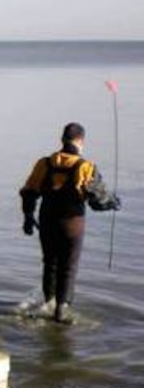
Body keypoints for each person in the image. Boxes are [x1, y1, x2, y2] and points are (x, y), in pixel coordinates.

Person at [19, 122, 120, 324]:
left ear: (62, 140)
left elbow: (29, 192)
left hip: (47, 223)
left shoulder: (44, 163)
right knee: (68, 267)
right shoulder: (86, 167)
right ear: (80, 142)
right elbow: (97, 202)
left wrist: (28, 217)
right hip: (72, 225)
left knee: (50, 264)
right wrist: (113, 202)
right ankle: (61, 311)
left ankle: (48, 305)